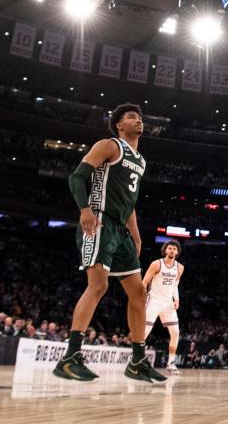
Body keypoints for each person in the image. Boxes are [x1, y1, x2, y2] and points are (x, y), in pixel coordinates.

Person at [53, 103, 165, 383]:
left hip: (121, 229)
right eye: (131, 117)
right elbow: (77, 177)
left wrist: (136, 235)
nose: (138, 120)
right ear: (119, 124)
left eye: (140, 117)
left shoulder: (140, 160)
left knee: (139, 293)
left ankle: (137, 361)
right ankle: (70, 358)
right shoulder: (109, 145)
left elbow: (130, 203)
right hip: (99, 221)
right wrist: (84, 210)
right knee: (98, 285)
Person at [143, 240, 184, 374]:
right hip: (154, 300)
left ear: (177, 252)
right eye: (170, 248)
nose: (172, 250)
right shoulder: (156, 264)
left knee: (175, 333)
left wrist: (176, 299)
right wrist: (141, 298)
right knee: (145, 331)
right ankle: (137, 359)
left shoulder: (179, 267)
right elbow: (145, 281)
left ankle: (171, 363)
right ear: (165, 250)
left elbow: (175, 286)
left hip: (168, 303)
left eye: (174, 249)